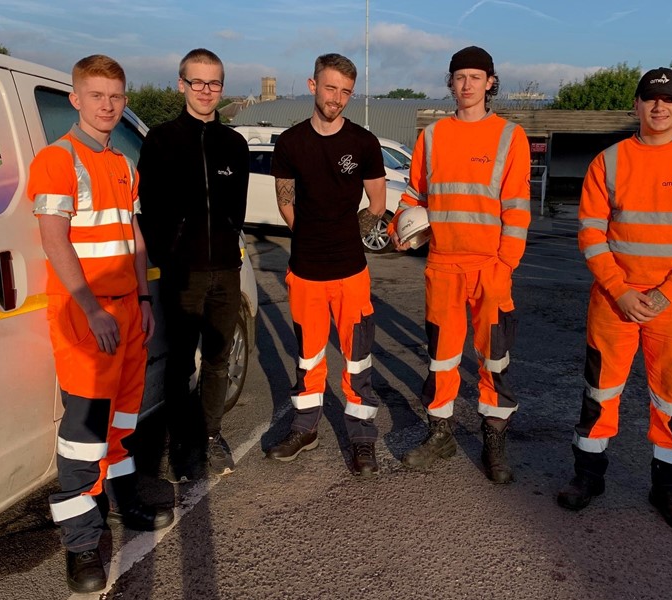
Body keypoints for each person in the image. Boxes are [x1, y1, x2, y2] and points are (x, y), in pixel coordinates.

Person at [557, 67, 672, 532]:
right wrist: (621, 290)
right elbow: (591, 234)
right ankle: (587, 477)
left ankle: (669, 491)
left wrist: (664, 294)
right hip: (614, 304)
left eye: (668, 99)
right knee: (599, 394)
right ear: (636, 105)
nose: (659, 107)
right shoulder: (609, 161)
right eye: (651, 99)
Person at [27, 54, 173, 594]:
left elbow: (131, 235)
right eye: (97, 95)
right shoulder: (57, 159)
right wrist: (91, 307)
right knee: (84, 431)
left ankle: (121, 500)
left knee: (121, 418)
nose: (108, 105)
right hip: (85, 313)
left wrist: (142, 299)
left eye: (116, 96)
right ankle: (83, 545)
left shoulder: (120, 163)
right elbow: (53, 238)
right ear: (76, 98)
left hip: (128, 310)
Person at [390, 46, 531, 483]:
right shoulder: (432, 136)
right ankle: (440, 433)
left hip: (490, 267)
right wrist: (401, 224)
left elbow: (518, 209)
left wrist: (505, 264)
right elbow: (415, 195)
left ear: (491, 82)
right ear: (450, 82)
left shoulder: (510, 136)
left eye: (475, 76)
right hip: (443, 267)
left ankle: (494, 439)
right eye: (459, 76)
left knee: (494, 359)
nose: (467, 84)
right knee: (441, 358)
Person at [267, 53, 387, 477]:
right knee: (308, 357)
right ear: (313, 84)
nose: (337, 98)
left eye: (346, 92)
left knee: (357, 360)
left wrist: (347, 233)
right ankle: (305, 427)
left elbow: (377, 201)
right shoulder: (290, 143)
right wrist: (311, 235)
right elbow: (286, 202)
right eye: (331, 87)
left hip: (351, 272)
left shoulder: (364, 143)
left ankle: (361, 438)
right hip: (305, 272)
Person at [137, 49, 249, 482]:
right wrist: (171, 254)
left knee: (218, 360)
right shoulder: (161, 140)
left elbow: (235, 210)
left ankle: (209, 437)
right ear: (182, 83)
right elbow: (151, 207)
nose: (206, 91)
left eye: (214, 83)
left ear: (222, 87)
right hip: (183, 274)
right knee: (180, 363)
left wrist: (223, 243)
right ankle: (180, 443)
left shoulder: (234, 145)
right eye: (197, 82)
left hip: (224, 268)